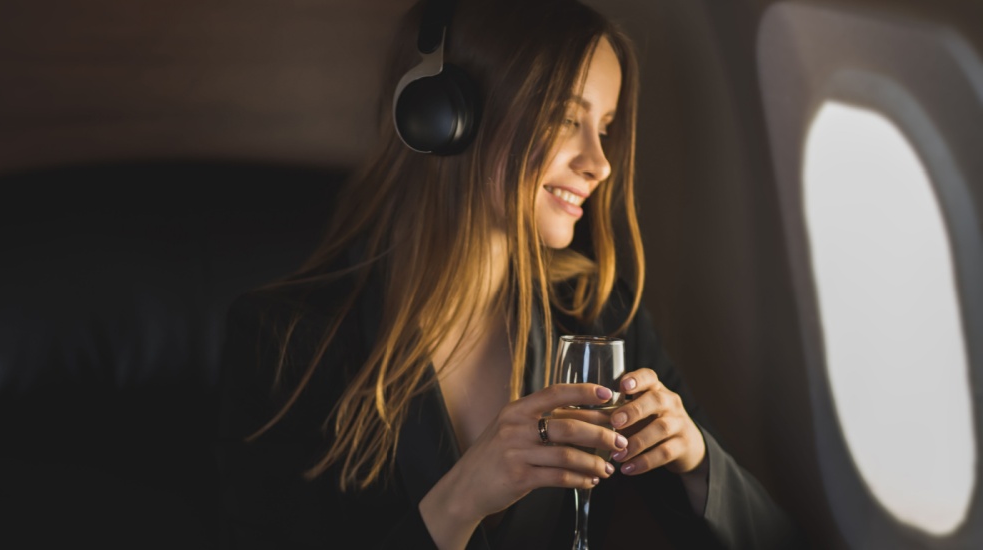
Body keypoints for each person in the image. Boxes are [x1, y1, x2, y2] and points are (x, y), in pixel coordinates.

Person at [215, 0, 805, 548]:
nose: (599, 163)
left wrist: (699, 464)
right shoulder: (285, 340)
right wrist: (459, 499)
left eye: (604, 128)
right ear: (445, 118)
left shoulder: (595, 311)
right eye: (562, 119)